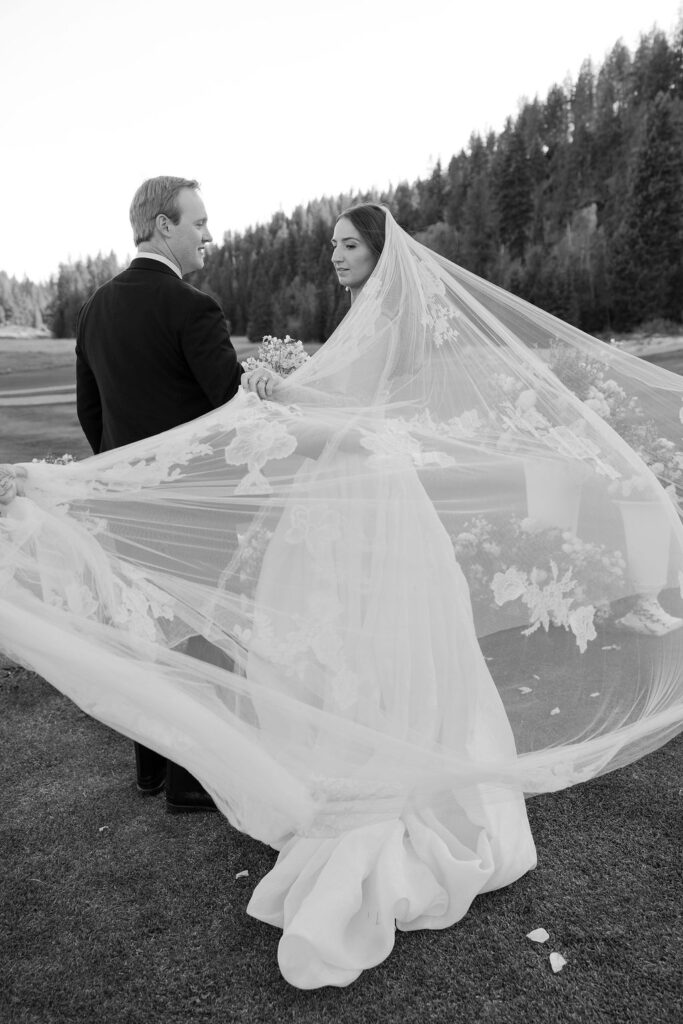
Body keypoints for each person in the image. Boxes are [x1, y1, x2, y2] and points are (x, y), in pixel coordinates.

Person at [1, 204, 682, 988]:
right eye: (331, 244)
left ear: (380, 252)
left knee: (362, 633)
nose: (334, 255)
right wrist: (278, 397)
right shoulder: (358, 315)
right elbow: (337, 417)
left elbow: (368, 427)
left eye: (348, 244)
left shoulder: (389, 323)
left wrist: (275, 400)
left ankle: (364, 765)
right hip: (337, 499)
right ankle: (327, 750)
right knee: (336, 636)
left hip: (368, 501)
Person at [75, 175, 243, 811]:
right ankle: (193, 781)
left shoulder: (95, 308)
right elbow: (232, 410)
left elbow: (91, 413)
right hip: (194, 508)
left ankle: (151, 769)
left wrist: (126, 475)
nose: (209, 235)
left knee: (147, 630)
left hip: (124, 506)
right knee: (201, 631)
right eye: (199, 223)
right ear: (163, 226)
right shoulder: (192, 308)